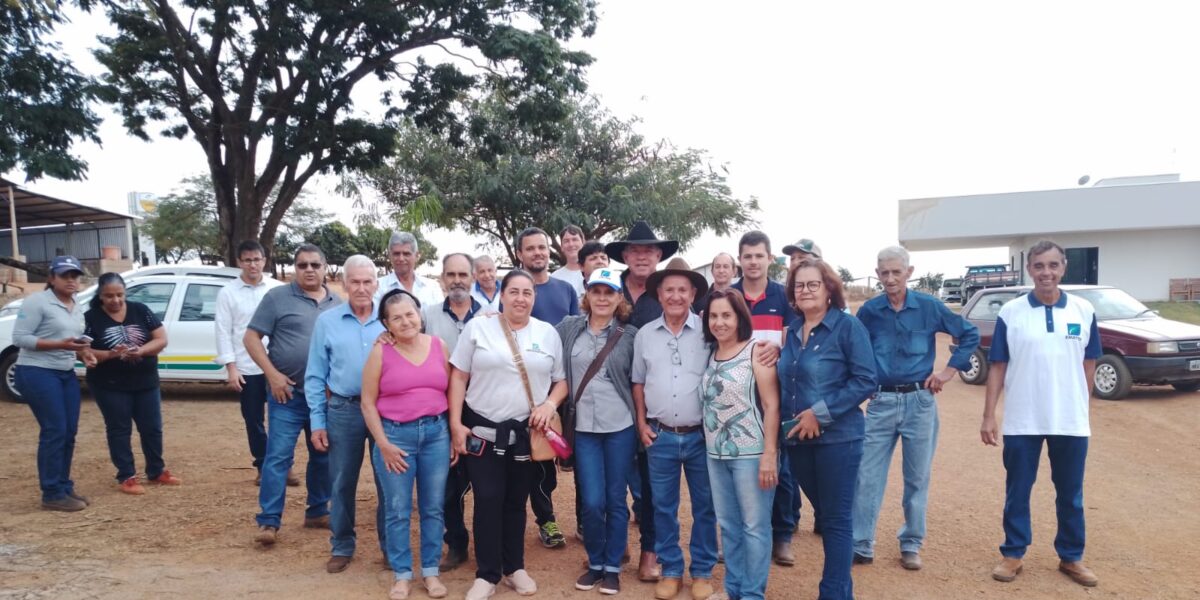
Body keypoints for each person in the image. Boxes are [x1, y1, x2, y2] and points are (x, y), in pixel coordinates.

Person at [981, 241, 1101, 588]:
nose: (1045, 272)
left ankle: (1071, 556)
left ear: (1063, 267)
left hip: (1070, 421)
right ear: (1029, 270)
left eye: (1052, 265)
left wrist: (1082, 404)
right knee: (1018, 489)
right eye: (1038, 266)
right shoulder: (1012, 313)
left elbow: (1089, 363)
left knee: (1071, 493)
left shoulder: (1083, 309)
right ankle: (1013, 553)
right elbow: (998, 365)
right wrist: (989, 415)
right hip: (1023, 419)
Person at [852, 246, 980, 570]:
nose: (890, 278)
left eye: (897, 272)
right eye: (884, 273)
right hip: (880, 403)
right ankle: (861, 544)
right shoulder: (869, 311)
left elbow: (969, 334)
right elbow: (854, 351)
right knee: (866, 476)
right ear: (878, 273)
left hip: (919, 403)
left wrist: (949, 372)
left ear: (909, 272)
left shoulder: (929, 307)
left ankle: (911, 542)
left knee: (917, 477)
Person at [448, 270, 568, 600]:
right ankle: (487, 574)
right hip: (483, 432)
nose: (520, 298)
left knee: (516, 501)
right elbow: (458, 377)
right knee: (487, 499)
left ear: (534, 297)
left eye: (527, 292)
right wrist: (455, 424)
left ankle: (514, 568)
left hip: (526, 434)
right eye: (513, 291)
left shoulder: (547, 334)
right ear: (501, 295)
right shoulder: (478, 327)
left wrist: (549, 403)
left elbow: (562, 380)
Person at [779, 258, 877, 600]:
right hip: (798, 441)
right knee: (828, 513)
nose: (804, 291)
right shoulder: (791, 331)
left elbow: (866, 379)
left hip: (839, 440)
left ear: (828, 289)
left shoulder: (847, 328)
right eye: (799, 285)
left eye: (812, 284)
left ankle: (832, 594)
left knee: (835, 520)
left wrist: (819, 414)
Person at [633, 257, 718, 600]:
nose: (676, 296)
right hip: (660, 435)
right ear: (658, 294)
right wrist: (641, 423)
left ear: (694, 293)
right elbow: (637, 382)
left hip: (701, 435)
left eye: (683, 289)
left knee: (705, 506)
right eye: (669, 289)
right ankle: (670, 569)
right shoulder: (644, 335)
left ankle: (701, 571)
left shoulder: (709, 332)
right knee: (662, 507)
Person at [246, 244, 340, 546]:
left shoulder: (338, 303)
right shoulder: (276, 298)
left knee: (322, 456)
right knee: (278, 457)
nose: (309, 270)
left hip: (322, 398)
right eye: (302, 265)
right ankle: (269, 521)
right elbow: (251, 338)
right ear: (294, 268)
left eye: (315, 264)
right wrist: (272, 375)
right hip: (286, 395)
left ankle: (316, 511)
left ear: (325, 267)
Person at [362, 289, 452, 600]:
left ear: (419, 314)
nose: (405, 321)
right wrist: (383, 443)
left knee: (433, 507)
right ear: (386, 324)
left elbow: (453, 391)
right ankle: (402, 574)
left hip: (436, 435)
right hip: (395, 438)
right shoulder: (380, 352)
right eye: (396, 317)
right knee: (398, 509)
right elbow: (367, 403)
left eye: (410, 313)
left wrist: (452, 433)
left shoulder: (439, 346)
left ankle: (430, 572)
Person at [556, 268, 640, 595]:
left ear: (619, 297)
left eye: (609, 292)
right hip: (584, 428)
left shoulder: (630, 335)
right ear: (587, 295)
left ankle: (612, 567)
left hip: (620, 426)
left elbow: (640, 380)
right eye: (596, 291)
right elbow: (534, 336)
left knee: (616, 499)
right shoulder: (569, 328)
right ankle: (594, 563)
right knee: (591, 501)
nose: (602, 298)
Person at [604, 220, 679, 581]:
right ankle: (616, 544)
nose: (641, 256)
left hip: (653, 405)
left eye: (648, 250)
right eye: (634, 250)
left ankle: (651, 551)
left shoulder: (666, 292)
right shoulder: (608, 288)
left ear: (659, 255)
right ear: (625, 255)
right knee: (612, 481)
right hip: (610, 401)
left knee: (652, 486)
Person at [305, 255, 388, 572]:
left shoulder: (389, 319)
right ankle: (341, 545)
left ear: (376, 284)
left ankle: (390, 548)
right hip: (343, 409)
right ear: (343, 282)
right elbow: (314, 375)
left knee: (388, 483)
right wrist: (317, 422)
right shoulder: (328, 322)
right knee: (341, 482)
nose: (361, 288)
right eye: (355, 281)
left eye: (368, 282)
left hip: (384, 411)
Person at [700, 289, 780, 600]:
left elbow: (771, 405)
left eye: (726, 315)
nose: (719, 322)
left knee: (755, 528)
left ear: (739, 318)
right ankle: (732, 589)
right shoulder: (711, 354)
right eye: (714, 316)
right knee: (730, 527)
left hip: (752, 453)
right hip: (716, 454)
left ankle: (751, 594)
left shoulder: (756, 352)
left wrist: (770, 455)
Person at [730, 231, 802, 566]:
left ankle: (782, 535)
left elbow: (798, 339)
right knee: (739, 469)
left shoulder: (785, 297)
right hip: (738, 397)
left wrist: (780, 348)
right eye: (747, 256)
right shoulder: (729, 296)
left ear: (770, 259)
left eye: (760, 255)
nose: (753, 262)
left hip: (779, 394)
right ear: (739, 259)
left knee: (781, 470)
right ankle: (740, 534)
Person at [83, 272, 180, 495]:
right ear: (100, 296)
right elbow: (83, 350)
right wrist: (111, 354)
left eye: (119, 295)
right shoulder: (91, 318)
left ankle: (156, 471)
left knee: (152, 428)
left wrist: (141, 351)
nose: (115, 300)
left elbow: (161, 339)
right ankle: (126, 475)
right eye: (109, 296)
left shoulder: (141, 310)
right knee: (119, 429)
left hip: (145, 382)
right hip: (109, 384)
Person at [514, 226, 578, 550]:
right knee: (510, 466)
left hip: (555, 390)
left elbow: (579, 333)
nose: (537, 253)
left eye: (542, 247)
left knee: (544, 462)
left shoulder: (565, 290)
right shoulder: (512, 289)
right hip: (513, 392)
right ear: (520, 254)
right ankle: (507, 525)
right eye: (531, 248)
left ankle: (546, 518)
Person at [14, 256, 92, 511]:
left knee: (69, 431)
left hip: (64, 371)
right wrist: (62, 345)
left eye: (75, 275)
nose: (71, 280)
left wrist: (84, 352)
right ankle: (52, 493)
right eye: (65, 275)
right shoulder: (38, 301)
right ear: (51, 278)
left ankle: (63, 485)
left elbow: (73, 339)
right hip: (37, 371)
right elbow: (20, 338)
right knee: (55, 429)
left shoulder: (76, 303)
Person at [422, 253, 481, 571]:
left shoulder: (489, 316)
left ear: (473, 277)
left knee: (485, 482)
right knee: (446, 484)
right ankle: (456, 543)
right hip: (441, 411)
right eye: (451, 274)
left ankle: (488, 544)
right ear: (442, 278)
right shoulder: (426, 316)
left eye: (463, 273)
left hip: (482, 411)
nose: (457, 279)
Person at [214, 240, 288, 486]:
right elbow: (223, 331)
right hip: (247, 367)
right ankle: (262, 464)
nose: (252, 264)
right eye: (247, 260)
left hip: (277, 367)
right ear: (239, 262)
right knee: (254, 418)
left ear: (264, 260)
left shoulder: (277, 289)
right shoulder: (228, 293)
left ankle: (283, 466)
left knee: (282, 418)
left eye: (257, 259)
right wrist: (231, 368)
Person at [376, 231, 444, 308]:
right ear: (389, 255)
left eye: (406, 254)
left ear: (417, 256)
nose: (401, 258)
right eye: (396, 254)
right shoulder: (378, 287)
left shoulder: (432, 287)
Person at [550, 224, 587, 298]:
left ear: (583, 242)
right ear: (562, 247)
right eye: (566, 241)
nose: (571, 244)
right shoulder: (554, 278)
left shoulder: (594, 273)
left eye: (574, 239)